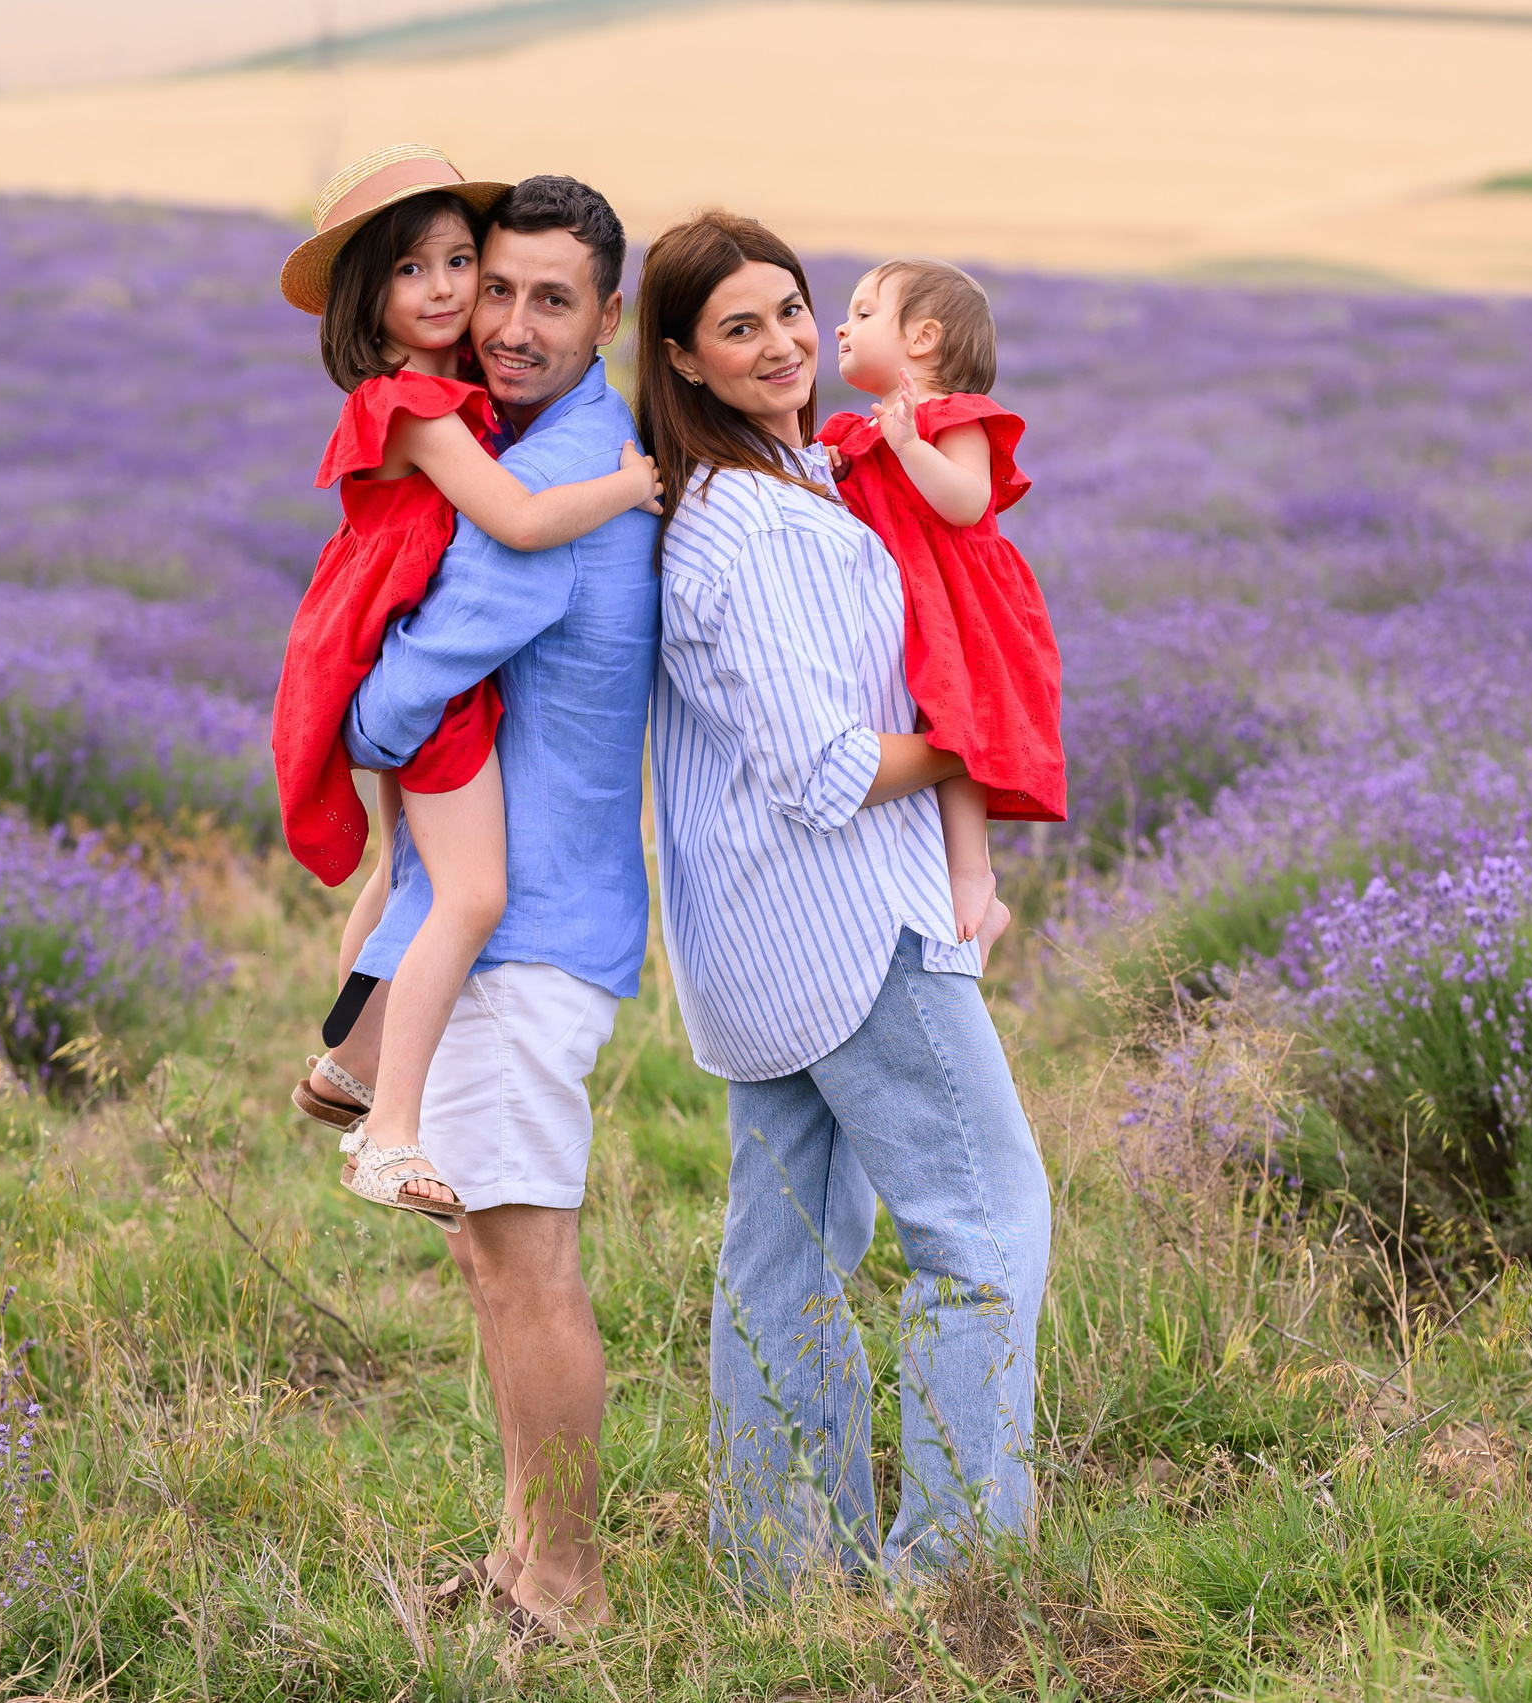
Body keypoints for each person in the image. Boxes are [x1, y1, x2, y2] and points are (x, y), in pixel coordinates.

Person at [636, 210, 1053, 1586]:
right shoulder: (750, 524)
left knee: (787, 1249)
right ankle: (956, 1571)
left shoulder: (797, 480)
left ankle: (781, 1568)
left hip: (766, 937)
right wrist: (979, 739)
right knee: (986, 1230)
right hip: (847, 921)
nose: (784, 343)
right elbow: (823, 769)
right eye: (739, 327)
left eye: (794, 310)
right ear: (684, 360)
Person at [313, 174, 662, 1632]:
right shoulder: (528, 440)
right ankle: (524, 1550)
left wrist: (351, 713)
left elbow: (400, 706)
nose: (506, 324)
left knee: (525, 1266)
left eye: (548, 299)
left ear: (609, 318)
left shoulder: (563, 477)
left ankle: (564, 1584)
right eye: (491, 287)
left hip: (530, 939)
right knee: (487, 1249)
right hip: (510, 925)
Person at [271, 145, 660, 1231]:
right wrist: (633, 487)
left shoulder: (455, 401)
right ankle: (386, 1125)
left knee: (408, 865)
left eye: (460, 264)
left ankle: (349, 1062)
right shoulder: (444, 415)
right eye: (432, 274)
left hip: (380, 632)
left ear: (605, 315)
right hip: (411, 673)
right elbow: (523, 523)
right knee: (467, 888)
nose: (458, 298)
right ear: (368, 298)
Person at [823, 260, 1065, 959]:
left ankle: (974, 882)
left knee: (957, 735)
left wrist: (908, 445)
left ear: (923, 338)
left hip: (962, 603)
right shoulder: (857, 433)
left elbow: (967, 500)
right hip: (908, 601)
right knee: (923, 736)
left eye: (865, 312)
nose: (842, 323)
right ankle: (945, 885)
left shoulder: (951, 419)